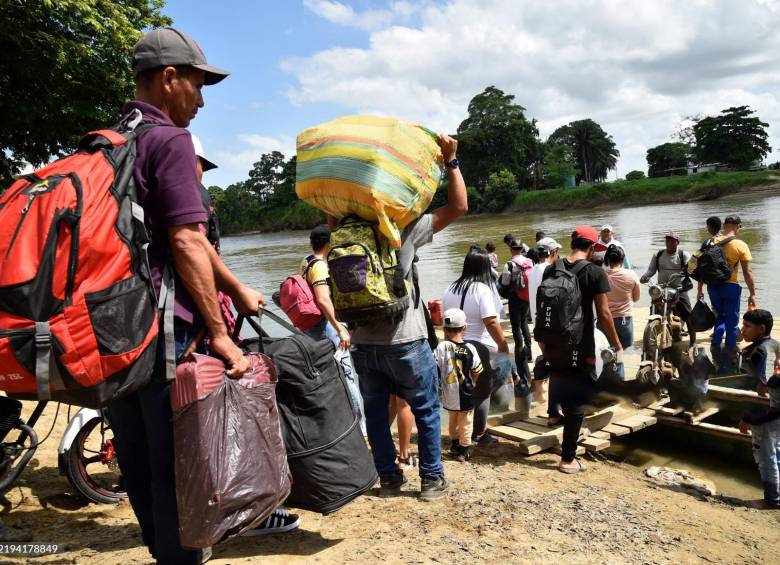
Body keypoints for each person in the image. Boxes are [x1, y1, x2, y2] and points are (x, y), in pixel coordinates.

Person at [106, 28, 276, 564]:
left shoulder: (109, 140)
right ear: (169, 77)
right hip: (164, 341)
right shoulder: (170, 140)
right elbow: (184, 238)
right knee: (182, 475)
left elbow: (190, 238)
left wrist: (236, 287)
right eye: (198, 86)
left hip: (112, 332)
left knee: (140, 469)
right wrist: (223, 337)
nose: (201, 101)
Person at [349, 133, 467, 501]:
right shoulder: (403, 230)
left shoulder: (342, 229)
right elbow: (458, 206)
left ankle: (388, 479)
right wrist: (451, 161)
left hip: (362, 343)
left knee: (375, 415)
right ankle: (431, 480)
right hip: (406, 340)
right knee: (426, 409)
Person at [538, 225, 623, 473]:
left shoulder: (553, 268)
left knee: (562, 384)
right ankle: (568, 458)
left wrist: (544, 342)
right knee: (577, 400)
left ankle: (562, 427)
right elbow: (605, 314)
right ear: (594, 247)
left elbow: (543, 307)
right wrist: (616, 344)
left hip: (553, 341)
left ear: (572, 242)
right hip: (580, 343)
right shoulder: (595, 272)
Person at [442, 248, 513, 444]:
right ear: (484, 268)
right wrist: (503, 344)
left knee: (461, 390)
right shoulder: (482, 289)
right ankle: (479, 434)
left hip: (454, 346)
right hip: (480, 347)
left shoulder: (449, 288)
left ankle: (458, 431)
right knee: (482, 392)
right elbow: (491, 321)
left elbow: (445, 321)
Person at [300, 224, 363, 423]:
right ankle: (359, 425)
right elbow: (322, 300)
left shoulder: (306, 262)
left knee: (328, 374)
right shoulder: (320, 265)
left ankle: (337, 421)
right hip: (325, 326)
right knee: (346, 374)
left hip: (311, 326)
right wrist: (340, 329)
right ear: (329, 243)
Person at [696, 215, 756, 373]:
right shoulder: (741, 245)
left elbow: (701, 267)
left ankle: (716, 346)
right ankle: (730, 352)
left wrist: (699, 288)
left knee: (719, 317)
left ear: (724, 226)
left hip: (713, 287)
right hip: (731, 287)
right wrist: (752, 293)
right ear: (738, 226)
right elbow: (747, 272)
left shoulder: (709, 242)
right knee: (732, 320)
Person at [737, 309, 780, 509]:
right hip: (770, 413)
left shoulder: (760, 352)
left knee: (765, 454)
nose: (742, 330)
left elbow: (764, 395)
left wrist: (748, 417)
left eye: (747, 326)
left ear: (761, 329)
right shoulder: (774, 346)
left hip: (766, 415)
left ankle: (772, 500)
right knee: (774, 451)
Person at [434, 308, 484, 462]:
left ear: (444, 329)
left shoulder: (441, 347)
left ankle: (454, 444)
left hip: (448, 393)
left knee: (453, 420)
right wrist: (473, 382)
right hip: (466, 392)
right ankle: (464, 449)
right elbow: (477, 370)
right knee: (466, 422)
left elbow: (434, 367)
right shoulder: (471, 348)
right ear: (464, 328)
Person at [640, 231, 694, 343]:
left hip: (679, 289)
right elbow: (651, 270)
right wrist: (645, 276)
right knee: (653, 312)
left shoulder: (683, 255)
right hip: (661, 289)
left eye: (672, 241)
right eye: (667, 240)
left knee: (689, 315)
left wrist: (689, 271)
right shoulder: (658, 254)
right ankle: (652, 331)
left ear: (677, 242)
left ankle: (693, 342)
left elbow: (691, 268)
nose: (669, 243)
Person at [528, 237, 561, 407]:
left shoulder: (533, 269)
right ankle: (554, 406)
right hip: (549, 324)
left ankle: (543, 400)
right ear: (553, 252)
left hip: (537, 324)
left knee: (549, 360)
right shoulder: (549, 269)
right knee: (558, 365)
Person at [500, 239, 534, 366]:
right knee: (524, 321)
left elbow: (504, 283)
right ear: (521, 249)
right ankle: (529, 352)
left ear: (511, 249)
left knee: (516, 326)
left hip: (515, 297)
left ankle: (520, 353)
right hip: (526, 297)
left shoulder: (509, 264)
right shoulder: (530, 261)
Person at [605, 245, 641, 349]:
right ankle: (618, 363)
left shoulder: (602, 275)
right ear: (623, 259)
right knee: (620, 350)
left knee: (607, 350)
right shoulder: (631, 275)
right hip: (624, 320)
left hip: (605, 320)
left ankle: (611, 364)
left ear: (608, 259)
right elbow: (636, 298)